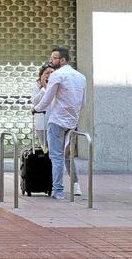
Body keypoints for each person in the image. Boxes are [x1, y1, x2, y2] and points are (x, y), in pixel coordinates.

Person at [33, 47, 86, 200]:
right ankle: (74, 185)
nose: (51, 60)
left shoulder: (57, 75)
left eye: (54, 58)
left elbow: (47, 98)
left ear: (63, 60)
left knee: (56, 157)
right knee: (67, 155)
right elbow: (83, 102)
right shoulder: (81, 77)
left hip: (57, 120)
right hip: (72, 121)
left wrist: (36, 109)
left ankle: (58, 190)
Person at [31, 62, 54, 153]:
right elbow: (35, 102)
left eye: (52, 73)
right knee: (45, 149)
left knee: (55, 149)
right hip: (42, 122)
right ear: (41, 75)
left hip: (55, 122)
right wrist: (44, 88)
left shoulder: (57, 84)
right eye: (47, 73)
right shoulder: (37, 85)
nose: (49, 75)